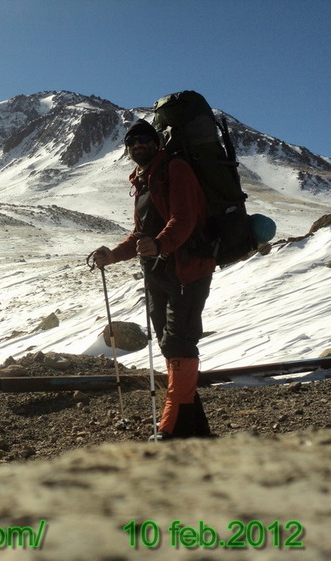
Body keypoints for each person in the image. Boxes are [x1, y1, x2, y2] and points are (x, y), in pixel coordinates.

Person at [91, 119, 215, 440]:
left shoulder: (175, 169)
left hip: (188, 270)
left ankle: (172, 428)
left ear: (157, 142)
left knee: (179, 343)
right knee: (170, 345)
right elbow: (140, 235)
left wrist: (160, 244)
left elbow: (184, 218)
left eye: (144, 139)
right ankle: (195, 428)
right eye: (131, 142)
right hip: (159, 275)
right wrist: (113, 255)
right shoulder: (144, 181)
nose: (137, 146)